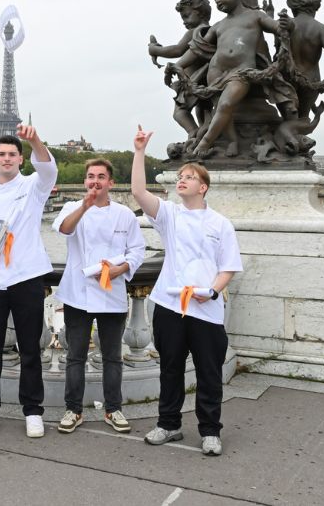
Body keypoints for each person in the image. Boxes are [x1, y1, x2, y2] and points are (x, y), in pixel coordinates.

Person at [130, 125, 242, 456]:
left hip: (205, 307)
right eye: (180, 176)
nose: (182, 180)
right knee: (170, 369)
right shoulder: (170, 215)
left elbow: (229, 267)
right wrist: (139, 151)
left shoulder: (220, 223)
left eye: (189, 177)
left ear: (203, 187)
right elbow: (138, 192)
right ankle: (169, 424)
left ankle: (210, 431)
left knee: (209, 373)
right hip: (169, 303)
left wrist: (212, 290)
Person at [0, 124, 57, 438]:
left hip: (26, 275)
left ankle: (33, 410)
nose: (6, 159)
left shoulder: (33, 186)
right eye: (1, 154)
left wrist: (35, 139)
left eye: (12, 154)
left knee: (30, 347)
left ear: (21, 159)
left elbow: (48, 168)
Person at [52, 159, 145, 434]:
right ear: (85, 182)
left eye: (101, 177)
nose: (95, 181)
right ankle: (73, 409)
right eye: (91, 176)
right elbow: (65, 229)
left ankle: (113, 408)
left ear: (110, 183)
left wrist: (122, 269)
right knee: (75, 355)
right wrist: (84, 206)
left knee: (113, 356)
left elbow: (137, 250)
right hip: (78, 293)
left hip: (111, 293)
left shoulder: (125, 214)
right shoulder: (72, 208)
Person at [176, 0, 296, 158]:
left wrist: (287, 24)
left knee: (225, 105)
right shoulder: (219, 25)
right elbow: (197, 49)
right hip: (215, 73)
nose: (217, 0)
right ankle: (232, 140)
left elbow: (278, 28)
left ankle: (206, 142)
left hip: (241, 73)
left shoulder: (255, 16)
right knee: (223, 110)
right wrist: (178, 65)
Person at [149, 0, 212, 140]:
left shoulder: (195, 32)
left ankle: (193, 133)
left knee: (179, 113)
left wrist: (154, 50)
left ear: (199, 12)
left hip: (192, 81)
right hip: (204, 80)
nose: (184, 21)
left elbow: (177, 50)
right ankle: (204, 133)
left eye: (186, 16)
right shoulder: (210, 31)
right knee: (203, 111)